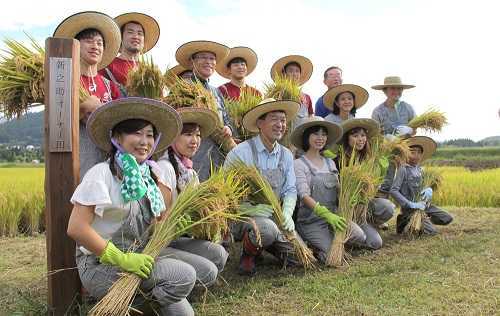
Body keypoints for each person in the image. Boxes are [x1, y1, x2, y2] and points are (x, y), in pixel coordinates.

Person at [67, 97, 198, 315]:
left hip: (140, 255)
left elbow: (154, 224)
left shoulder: (149, 176)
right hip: (99, 265)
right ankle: (127, 305)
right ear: (117, 137)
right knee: (184, 276)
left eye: (149, 135)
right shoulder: (101, 174)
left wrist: (175, 226)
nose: (144, 141)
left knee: (203, 275)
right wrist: (122, 259)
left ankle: (135, 303)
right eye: (136, 133)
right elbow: (76, 228)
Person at [224, 98, 300, 275]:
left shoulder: (286, 155)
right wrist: (252, 209)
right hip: (242, 218)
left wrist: (287, 213)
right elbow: (227, 196)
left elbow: (290, 189)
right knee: (266, 229)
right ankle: (249, 254)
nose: (280, 124)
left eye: (282, 120)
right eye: (274, 119)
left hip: (275, 217)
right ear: (260, 123)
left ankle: (266, 245)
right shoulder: (240, 153)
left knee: (296, 257)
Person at [157, 107, 228, 287]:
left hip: (177, 238)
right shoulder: (165, 168)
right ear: (173, 137)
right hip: (160, 243)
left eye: (197, 135)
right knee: (209, 271)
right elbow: (159, 220)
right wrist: (179, 222)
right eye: (188, 134)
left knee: (219, 255)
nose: (195, 140)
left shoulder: (190, 172)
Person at [291, 116, 371, 263]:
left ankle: (329, 241)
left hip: (334, 217)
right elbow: (303, 195)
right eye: (316, 133)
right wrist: (324, 214)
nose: (320, 138)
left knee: (360, 236)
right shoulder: (298, 164)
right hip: (311, 221)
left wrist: (347, 195)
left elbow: (337, 187)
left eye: (324, 134)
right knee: (332, 256)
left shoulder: (330, 163)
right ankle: (313, 244)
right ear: (307, 136)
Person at [53, 11, 122, 177]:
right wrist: (84, 107)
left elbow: (121, 120)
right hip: (77, 159)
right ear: (76, 46)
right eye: (88, 41)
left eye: (99, 43)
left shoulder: (109, 86)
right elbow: (56, 121)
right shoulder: (65, 81)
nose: (95, 46)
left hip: (108, 158)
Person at [175, 40, 234, 181]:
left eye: (212, 58)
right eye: (203, 57)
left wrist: (228, 128)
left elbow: (226, 118)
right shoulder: (182, 88)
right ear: (192, 61)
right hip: (194, 156)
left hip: (219, 157)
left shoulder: (217, 92)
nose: (208, 62)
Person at [335, 118, 396, 249]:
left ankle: (368, 224)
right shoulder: (338, 161)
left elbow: (372, 191)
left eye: (363, 135)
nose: (360, 139)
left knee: (388, 208)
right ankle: (352, 233)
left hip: (362, 209)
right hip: (344, 210)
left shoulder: (368, 160)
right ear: (347, 138)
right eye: (355, 135)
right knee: (370, 242)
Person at [390, 136, 453, 235]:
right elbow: (393, 190)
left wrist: (429, 189)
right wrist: (409, 204)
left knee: (447, 218)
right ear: (406, 153)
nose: (416, 155)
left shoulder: (421, 170)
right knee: (431, 232)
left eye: (419, 152)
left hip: (424, 206)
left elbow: (424, 187)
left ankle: (422, 220)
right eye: (412, 152)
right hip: (410, 208)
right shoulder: (403, 169)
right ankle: (404, 220)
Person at [371, 76, 417, 196]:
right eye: (392, 88)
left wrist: (410, 130)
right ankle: (384, 212)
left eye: (399, 88)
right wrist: (386, 138)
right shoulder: (378, 111)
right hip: (387, 154)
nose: (396, 91)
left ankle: (407, 213)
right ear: (385, 91)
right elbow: (375, 135)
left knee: (408, 184)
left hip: (406, 152)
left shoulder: (408, 108)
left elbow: (415, 129)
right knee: (386, 183)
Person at [99, 12, 160, 93]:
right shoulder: (107, 65)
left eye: (140, 33)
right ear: (121, 37)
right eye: (130, 32)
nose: (136, 37)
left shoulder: (151, 71)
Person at [270, 55, 314, 128]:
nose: (294, 74)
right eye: (290, 71)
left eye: (297, 71)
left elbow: (311, 116)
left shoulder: (306, 97)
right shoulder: (277, 93)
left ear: (300, 74)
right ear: (284, 74)